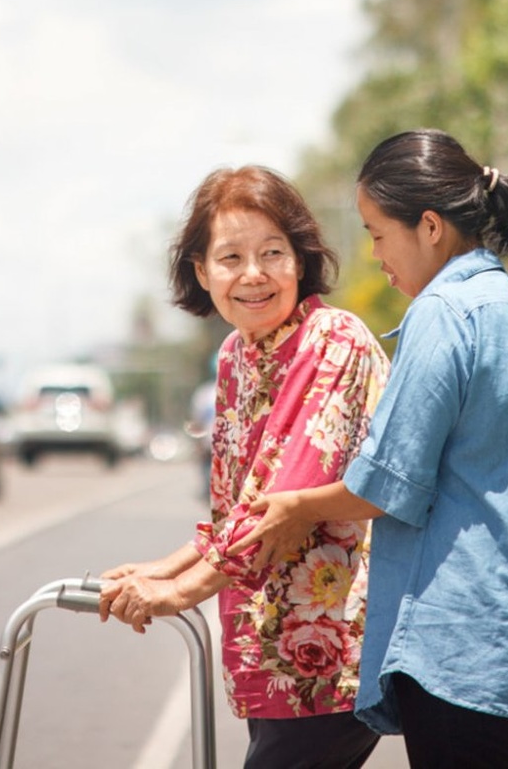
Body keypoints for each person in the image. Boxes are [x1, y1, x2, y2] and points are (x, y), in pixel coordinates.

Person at [229, 130, 508, 769]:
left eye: (379, 233)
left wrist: (295, 505)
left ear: (431, 227)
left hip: (454, 638)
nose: (377, 254)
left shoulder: (444, 312)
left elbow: (386, 483)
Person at [98, 165, 390, 769]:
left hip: (334, 645)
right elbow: (237, 507)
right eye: (230, 257)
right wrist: (162, 567)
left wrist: (179, 592)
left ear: (300, 261)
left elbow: (280, 505)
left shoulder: (332, 340)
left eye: (272, 253)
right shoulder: (236, 354)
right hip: (264, 640)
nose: (253, 275)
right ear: (202, 273)